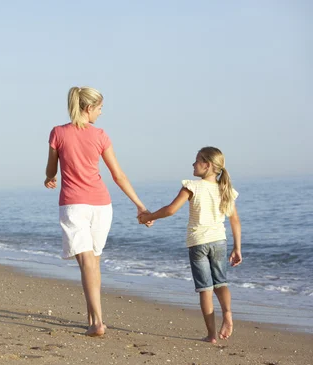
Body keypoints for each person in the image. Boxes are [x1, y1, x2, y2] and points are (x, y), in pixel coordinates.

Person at [44, 86, 151, 337]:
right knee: (93, 263)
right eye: (100, 108)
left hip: (74, 205)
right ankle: (94, 318)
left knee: (88, 263)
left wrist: (50, 179)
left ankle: (97, 322)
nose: (101, 113)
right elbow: (118, 175)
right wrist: (140, 205)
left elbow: (51, 170)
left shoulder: (58, 133)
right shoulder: (100, 135)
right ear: (88, 108)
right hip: (102, 206)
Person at [138, 147, 242, 343]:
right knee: (221, 282)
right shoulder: (224, 189)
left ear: (208, 165)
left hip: (198, 242)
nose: (193, 164)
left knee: (205, 289)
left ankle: (211, 335)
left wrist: (149, 217)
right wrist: (237, 247)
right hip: (219, 241)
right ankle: (227, 313)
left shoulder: (191, 186)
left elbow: (170, 210)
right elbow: (235, 220)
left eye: (196, 160)